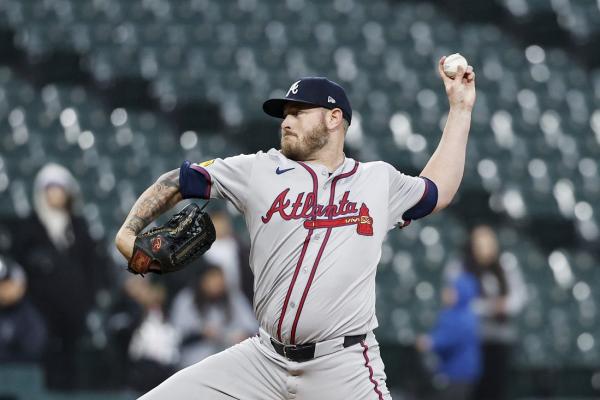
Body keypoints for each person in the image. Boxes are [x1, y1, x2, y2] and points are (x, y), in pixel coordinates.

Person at [115, 58, 476, 399]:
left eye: (298, 113)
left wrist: (460, 109)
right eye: (284, 114)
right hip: (263, 359)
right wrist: (128, 233)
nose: (286, 122)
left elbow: (438, 190)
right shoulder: (258, 169)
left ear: (335, 118)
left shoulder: (378, 181)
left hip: (342, 365)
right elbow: (178, 181)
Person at [11, 163, 110, 389]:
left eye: (60, 189)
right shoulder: (29, 227)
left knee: (73, 361)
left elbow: (93, 264)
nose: (56, 194)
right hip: (40, 309)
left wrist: (91, 296)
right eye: (50, 189)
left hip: (75, 309)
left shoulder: (80, 226)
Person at [459, 225, 527, 400]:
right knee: (472, 389)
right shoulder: (463, 266)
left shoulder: (505, 265)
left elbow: (518, 297)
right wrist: (491, 306)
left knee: (496, 388)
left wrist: (503, 306)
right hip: (473, 338)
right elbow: (462, 302)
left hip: (500, 338)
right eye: (480, 243)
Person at [170, 264, 257, 368]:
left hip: (229, 357)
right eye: (212, 278)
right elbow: (176, 336)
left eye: (220, 278)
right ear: (202, 281)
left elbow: (252, 326)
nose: (217, 283)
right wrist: (201, 333)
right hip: (194, 360)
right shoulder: (186, 299)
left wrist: (243, 335)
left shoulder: (233, 298)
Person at [416, 272, 481, 400]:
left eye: (452, 291)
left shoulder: (465, 316)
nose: (446, 293)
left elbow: (451, 337)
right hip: (449, 371)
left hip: (460, 374)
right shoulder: (450, 312)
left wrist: (430, 342)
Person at [0, 255, 47, 363]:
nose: (3, 289)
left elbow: (32, 350)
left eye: (6, 285)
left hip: (18, 375)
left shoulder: (28, 316)